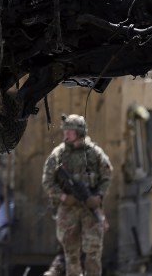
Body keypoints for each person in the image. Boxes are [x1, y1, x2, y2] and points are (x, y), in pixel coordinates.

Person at [42, 114, 112, 276]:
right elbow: (47, 181)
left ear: (80, 133)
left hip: (90, 208)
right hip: (68, 209)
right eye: (65, 131)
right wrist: (64, 197)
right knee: (70, 253)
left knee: (93, 252)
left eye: (70, 131)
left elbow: (106, 176)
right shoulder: (58, 154)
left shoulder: (95, 153)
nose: (66, 134)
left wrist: (99, 197)